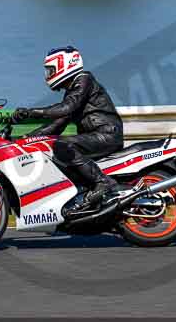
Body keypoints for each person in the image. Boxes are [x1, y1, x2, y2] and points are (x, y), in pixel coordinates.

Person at [11, 46, 124, 213]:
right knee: (55, 153)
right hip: (96, 135)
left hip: (106, 134)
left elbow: (66, 107)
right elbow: (56, 126)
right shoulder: (74, 91)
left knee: (63, 145)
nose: (48, 75)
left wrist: (32, 112)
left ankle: (103, 182)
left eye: (51, 70)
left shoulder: (84, 80)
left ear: (65, 65)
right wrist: (23, 140)